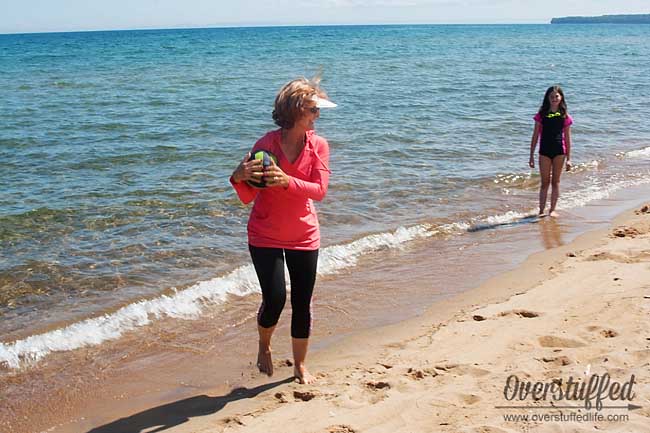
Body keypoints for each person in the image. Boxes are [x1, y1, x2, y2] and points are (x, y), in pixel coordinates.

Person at [230, 76, 336, 384]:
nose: (317, 116)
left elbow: (319, 190)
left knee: (302, 302)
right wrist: (236, 176)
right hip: (265, 234)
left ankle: (300, 365)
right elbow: (248, 194)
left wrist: (286, 181)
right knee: (275, 298)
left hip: (304, 234)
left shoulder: (318, 146)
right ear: (295, 111)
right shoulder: (265, 146)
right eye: (313, 110)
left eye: (318, 111)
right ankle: (264, 345)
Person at [529, 85, 573, 217]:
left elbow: (568, 139)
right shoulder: (541, 115)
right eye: (552, 96)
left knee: (556, 182)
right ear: (547, 98)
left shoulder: (565, 116)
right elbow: (535, 136)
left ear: (561, 98)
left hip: (560, 152)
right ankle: (541, 211)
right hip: (544, 152)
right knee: (544, 182)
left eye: (557, 96)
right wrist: (531, 156)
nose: (554, 98)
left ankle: (552, 209)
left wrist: (569, 158)